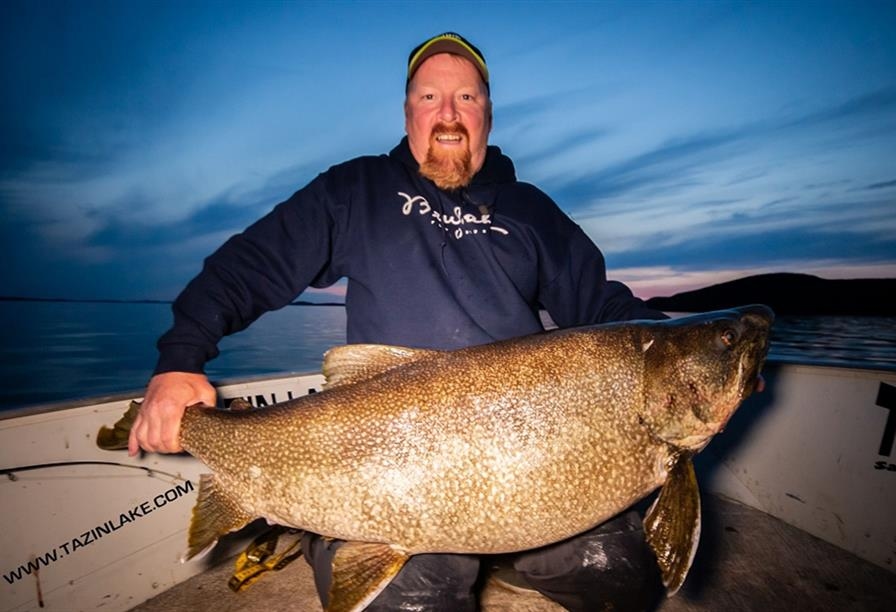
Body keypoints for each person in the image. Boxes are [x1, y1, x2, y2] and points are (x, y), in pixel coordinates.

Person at [130, 32, 667, 611]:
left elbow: (604, 308)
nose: (449, 115)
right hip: (382, 465)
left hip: (524, 463)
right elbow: (249, 266)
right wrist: (180, 360)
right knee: (420, 600)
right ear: (408, 111)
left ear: (488, 113)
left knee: (621, 577)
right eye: (430, 97)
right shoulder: (355, 190)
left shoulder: (532, 209)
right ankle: (329, 533)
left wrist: (695, 354)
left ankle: (508, 548)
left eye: (467, 98)